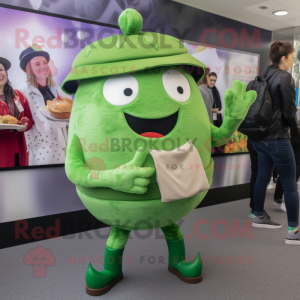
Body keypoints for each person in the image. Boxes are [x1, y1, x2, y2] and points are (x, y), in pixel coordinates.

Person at [251, 41, 300, 245]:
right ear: (283, 59)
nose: (292, 62)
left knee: (262, 178)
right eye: (291, 58)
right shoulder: (284, 77)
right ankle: (294, 231)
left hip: (259, 138)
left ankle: (258, 215)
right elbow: (289, 112)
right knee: (290, 183)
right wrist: (297, 133)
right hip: (278, 138)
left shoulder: (263, 76)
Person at [18, 44, 71, 165]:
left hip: (63, 148)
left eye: (45, 62)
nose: (43, 67)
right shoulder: (21, 92)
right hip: (39, 150)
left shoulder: (59, 90)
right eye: (37, 64)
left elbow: (71, 117)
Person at [0, 57, 34, 168]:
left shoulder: (18, 95)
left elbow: (29, 119)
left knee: (18, 181)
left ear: (6, 73)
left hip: (18, 148)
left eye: (1, 70)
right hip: (1, 149)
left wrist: (25, 124)